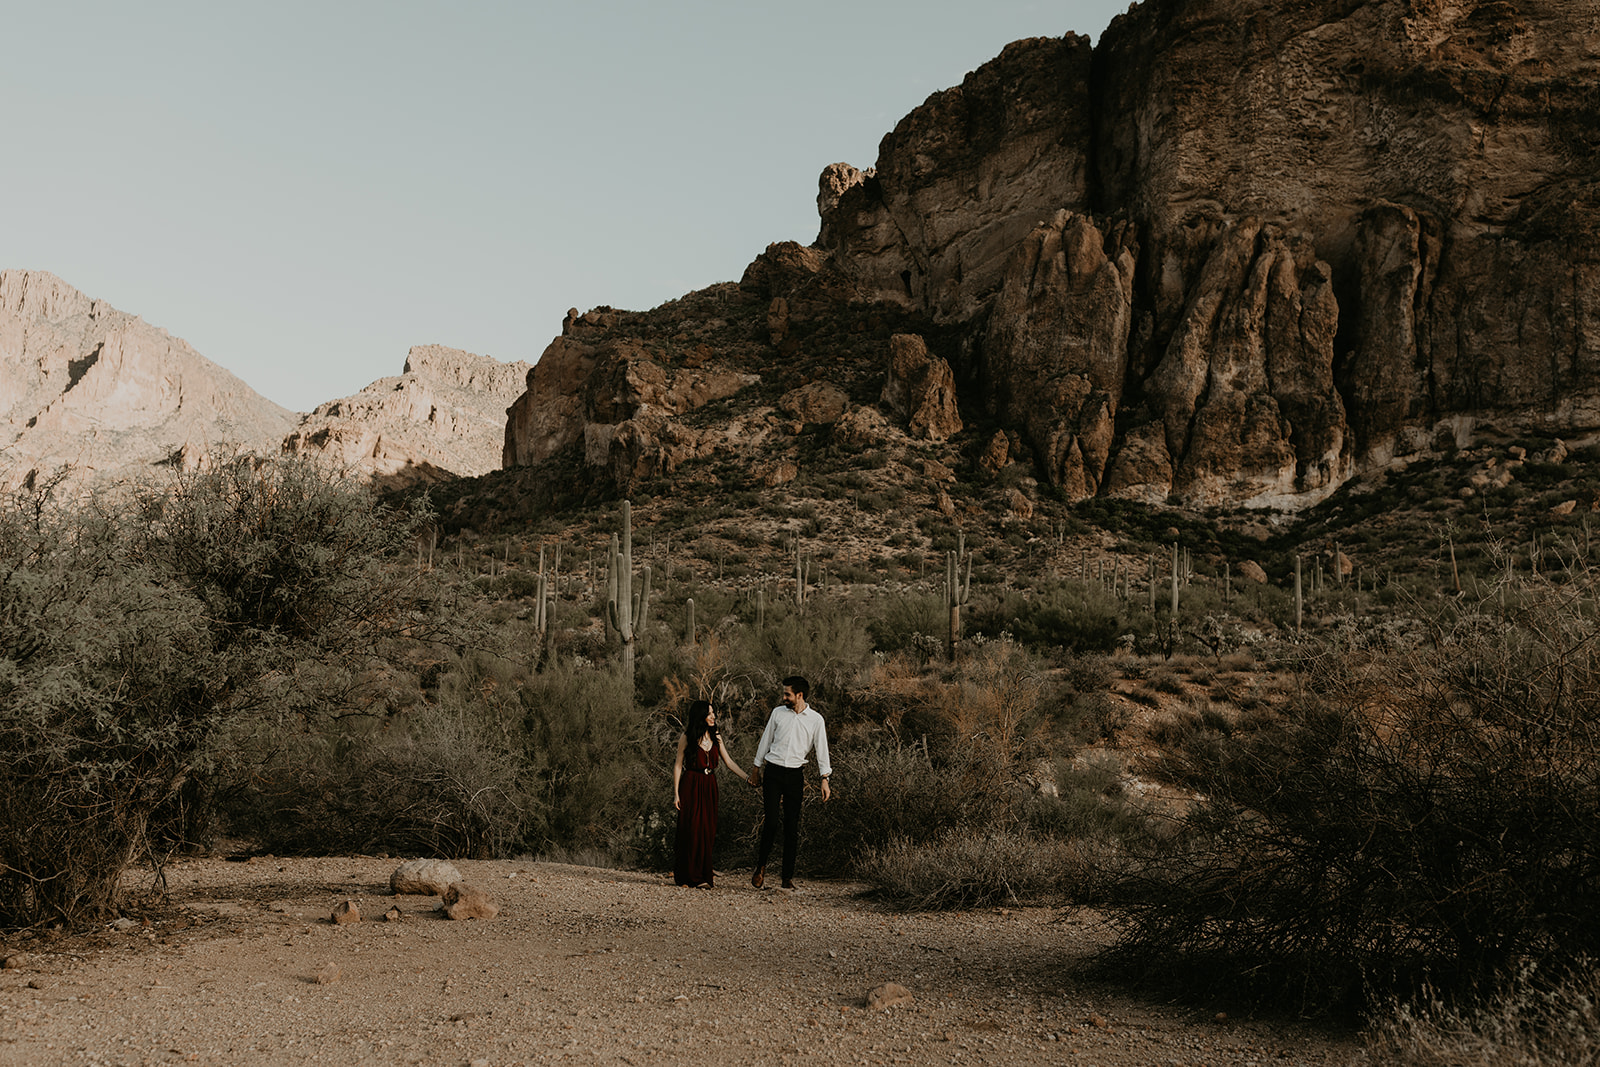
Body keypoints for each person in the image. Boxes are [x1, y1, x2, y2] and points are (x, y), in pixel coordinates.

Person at [749, 675, 831, 890]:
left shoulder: (816, 720)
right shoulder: (778, 713)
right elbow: (765, 740)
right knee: (772, 822)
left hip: (795, 775)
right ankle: (761, 867)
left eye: (787, 693)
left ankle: (787, 877)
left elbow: (822, 750)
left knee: (792, 826)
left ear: (799, 695)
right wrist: (756, 769)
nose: (783, 696)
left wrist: (825, 779)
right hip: (773, 772)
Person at [672, 700, 751, 888]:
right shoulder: (687, 737)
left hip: (709, 785)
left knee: (707, 829)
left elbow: (729, 762)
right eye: (710, 713)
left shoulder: (716, 737)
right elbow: (677, 765)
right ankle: (690, 876)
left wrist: (748, 778)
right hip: (691, 784)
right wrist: (676, 794)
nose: (714, 716)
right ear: (701, 716)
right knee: (692, 829)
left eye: (713, 713)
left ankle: (704, 875)